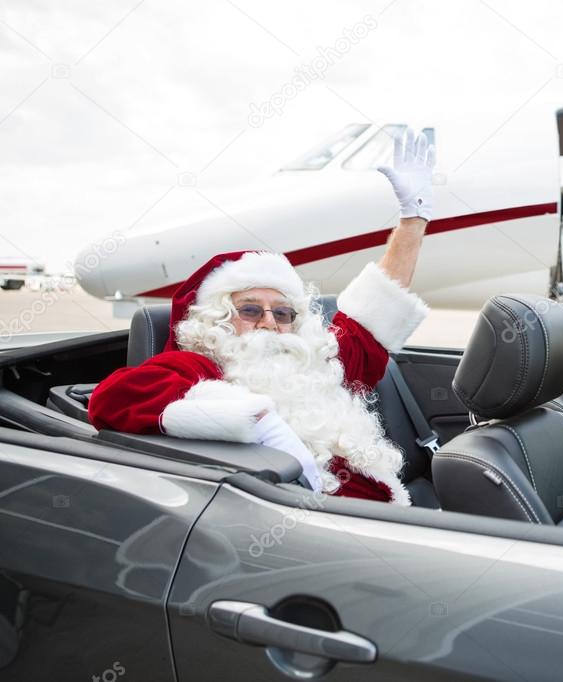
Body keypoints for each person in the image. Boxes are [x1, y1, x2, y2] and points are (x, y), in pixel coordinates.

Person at [88, 130, 436, 506]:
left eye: (283, 312)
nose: (270, 322)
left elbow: (376, 308)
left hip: (381, 517)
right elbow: (111, 399)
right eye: (251, 309)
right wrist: (260, 422)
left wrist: (412, 221)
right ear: (217, 319)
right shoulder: (200, 366)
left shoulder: (316, 364)